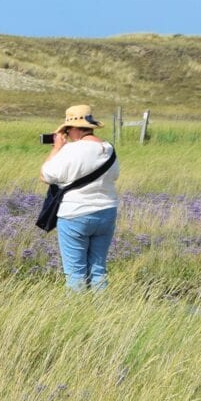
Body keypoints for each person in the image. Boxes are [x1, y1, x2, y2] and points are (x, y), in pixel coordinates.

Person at [40, 104, 119, 290]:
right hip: (107, 212)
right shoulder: (109, 150)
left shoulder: (71, 150)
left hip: (75, 214)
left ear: (74, 128)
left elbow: (45, 175)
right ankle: (104, 314)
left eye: (67, 130)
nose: (67, 134)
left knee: (75, 272)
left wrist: (57, 149)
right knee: (98, 270)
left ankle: (75, 315)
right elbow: (115, 175)